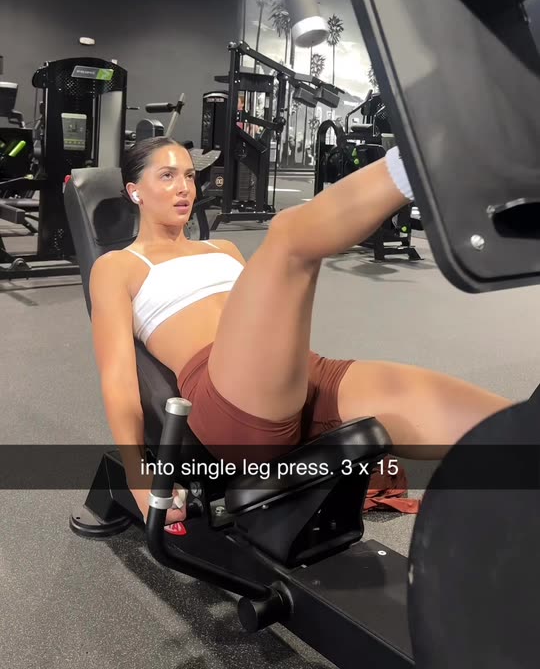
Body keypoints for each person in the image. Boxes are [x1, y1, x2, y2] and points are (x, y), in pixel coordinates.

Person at [90, 136, 511, 528]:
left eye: (189, 175)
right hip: (226, 401)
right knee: (289, 237)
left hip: (301, 377)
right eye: (167, 176)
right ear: (134, 191)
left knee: (502, 425)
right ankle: (427, 153)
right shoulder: (117, 266)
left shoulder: (223, 248)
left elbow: (269, 321)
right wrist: (139, 477)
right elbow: (119, 380)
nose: (184, 187)